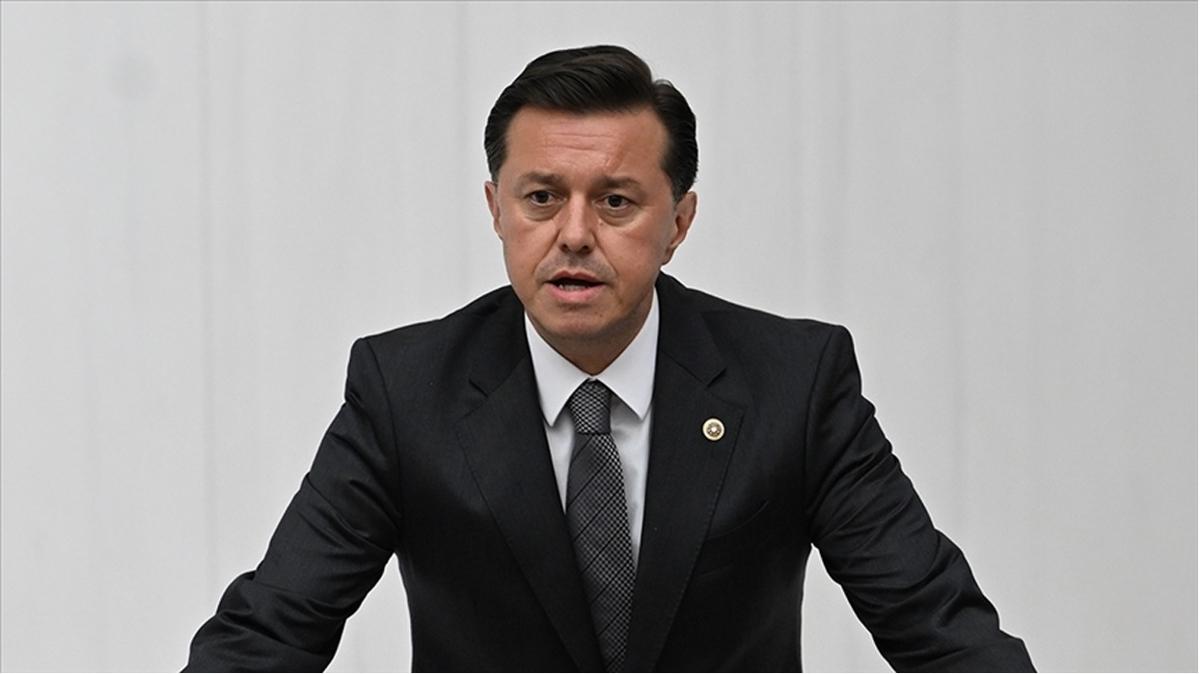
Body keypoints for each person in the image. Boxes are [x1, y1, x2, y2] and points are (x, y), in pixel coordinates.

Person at [185, 45, 1034, 672]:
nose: (575, 234)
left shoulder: (793, 382)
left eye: (617, 201)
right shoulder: (407, 391)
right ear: (496, 209)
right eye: (542, 197)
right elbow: (271, 632)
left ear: (679, 222)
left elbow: (939, 629)